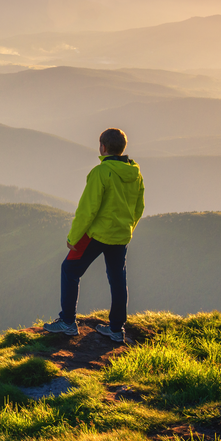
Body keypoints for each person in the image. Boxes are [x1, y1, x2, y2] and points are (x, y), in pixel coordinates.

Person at [44, 127, 145, 344]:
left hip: (97, 234)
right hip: (121, 235)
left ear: (103, 147)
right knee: (118, 279)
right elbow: (139, 207)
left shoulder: (101, 172)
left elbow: (87, 209)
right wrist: (128, 228)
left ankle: (68, 322)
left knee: (69, 270)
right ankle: (117, 329)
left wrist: (73, 238)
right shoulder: (135, 173)